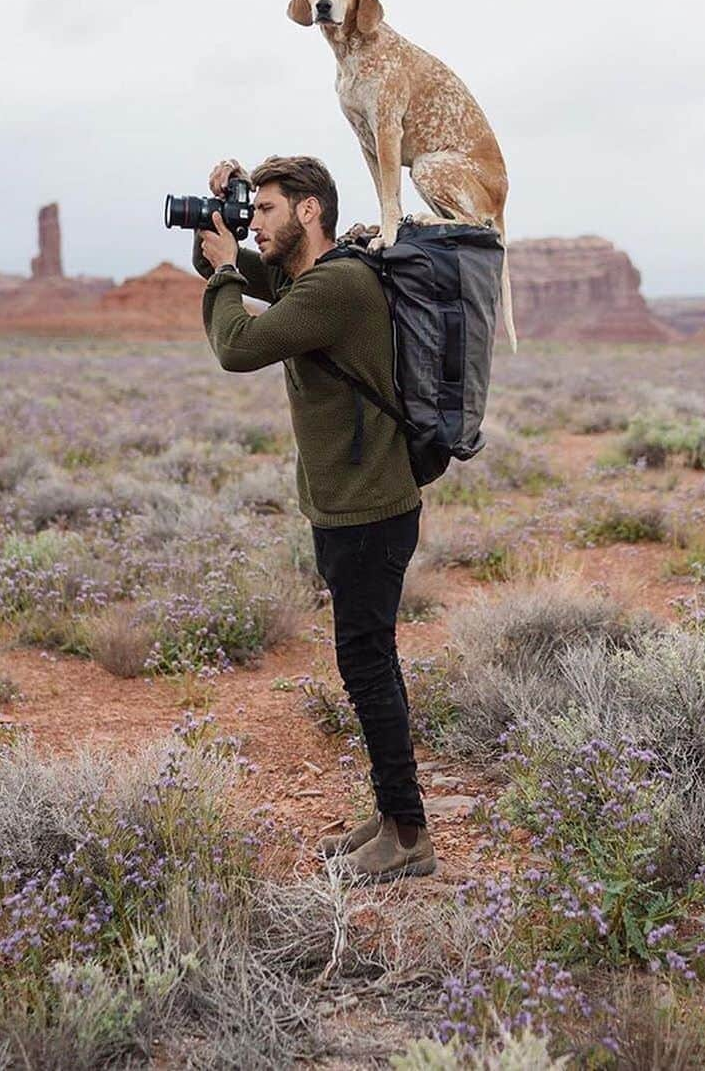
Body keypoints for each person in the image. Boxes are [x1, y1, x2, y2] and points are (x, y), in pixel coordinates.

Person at [191, 154, 436, 882]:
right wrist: (222, 218)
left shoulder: (336, 285)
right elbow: (230, 275)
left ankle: (410, 835)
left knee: (368, 668)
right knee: (370, 665)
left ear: (307, 212)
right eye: (252, 211)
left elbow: (237, 346)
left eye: (265, 210)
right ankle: (392, 815)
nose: (255, 224)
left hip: (367, 511)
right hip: (351, 507)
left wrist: (230, 267)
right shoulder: (312, 279)